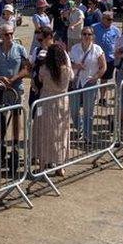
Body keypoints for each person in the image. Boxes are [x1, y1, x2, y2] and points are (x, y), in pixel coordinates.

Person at [30, 42, 73, 175]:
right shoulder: (66, 69)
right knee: (61, 133)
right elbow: (72, 78)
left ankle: (42, 166)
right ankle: (60, 166)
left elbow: (39, 80)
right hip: (62, 102)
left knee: (44, 133)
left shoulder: (45, 69)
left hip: (46, 101)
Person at [0, 25, 30, 154]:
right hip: (1, 89)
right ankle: (1, 142)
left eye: (11, 34)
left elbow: (26, 68)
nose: (10, 37)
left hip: (17, 88)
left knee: (17, 115)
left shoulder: (20, 49)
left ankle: (16, 143)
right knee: (2, 116)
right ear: (1, 35)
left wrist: (14, 78)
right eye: (6, 34)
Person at [68, 27, 106, 144]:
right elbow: (68, 63)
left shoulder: (97, 49)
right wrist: (76, 66)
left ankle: (87, 136)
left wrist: (95, 77)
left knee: (88, 112)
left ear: (92, 36)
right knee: (74, 110)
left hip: (90, 83)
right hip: (76, 82)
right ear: (81, 35)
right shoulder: (75, 48)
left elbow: (103, 66)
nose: (86, 36)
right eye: (84, 34)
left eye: (89, 34)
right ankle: (80, 129)